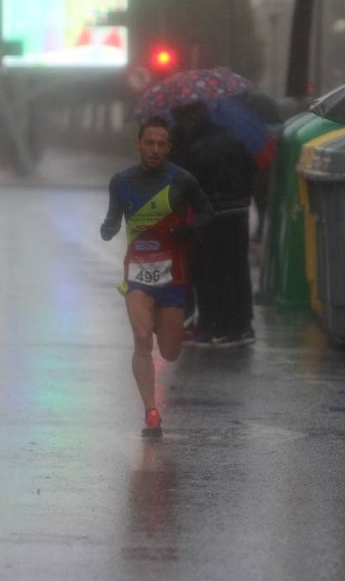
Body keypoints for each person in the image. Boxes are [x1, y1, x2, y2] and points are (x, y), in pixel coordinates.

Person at [101, 116, 213, 437]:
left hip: (173, 275)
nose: (154, 150)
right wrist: (108, 228)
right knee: (140, 335)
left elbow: (207, 214)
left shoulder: (183, 181)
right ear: (138, 144)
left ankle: (160, 345)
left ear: (169, 147)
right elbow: (112, 219)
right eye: (149, 143)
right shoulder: (121, 182)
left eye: (161, 144)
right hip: (136, 272)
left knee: (170, 351)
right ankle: (151, 411)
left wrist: (189, 229)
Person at [170, 102, 257, 347]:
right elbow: (252, 169)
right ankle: (240, 325)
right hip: (238, 210)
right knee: (236, 269)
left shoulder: (196, 146)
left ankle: (218, 325)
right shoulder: (231, 136)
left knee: (210, 270)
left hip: (213, 213)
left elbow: (189, 184)